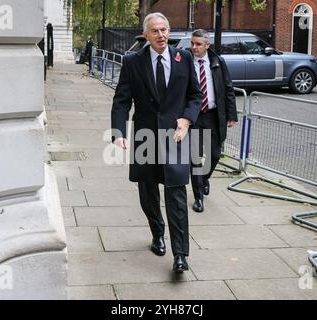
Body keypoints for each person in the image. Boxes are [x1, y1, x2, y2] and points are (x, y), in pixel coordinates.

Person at [111, 13, 202, 273]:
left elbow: (195, 95)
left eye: (164, 30)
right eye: (155, 31)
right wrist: (118, 132)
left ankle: (181, 255)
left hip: (176, 137)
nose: (161, 35)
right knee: (148, 193)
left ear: (169, 31)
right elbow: (121, 99)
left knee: (176, 194)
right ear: (146, 35)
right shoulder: (132, 61)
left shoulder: (183, 58)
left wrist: (186, 119)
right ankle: (157, 233)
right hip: (144, 137)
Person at [190, 29, 238, 213]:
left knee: (215, 155)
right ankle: (198, 197)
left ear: (207, 45)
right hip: (193, 116)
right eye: (192, 43)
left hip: (212, 115)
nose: (194, 47)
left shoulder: (218, 62)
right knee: (195, 157)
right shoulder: (186, 61)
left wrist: (231, 114)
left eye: (198, 44)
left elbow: (228, 88)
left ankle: (203, 179)